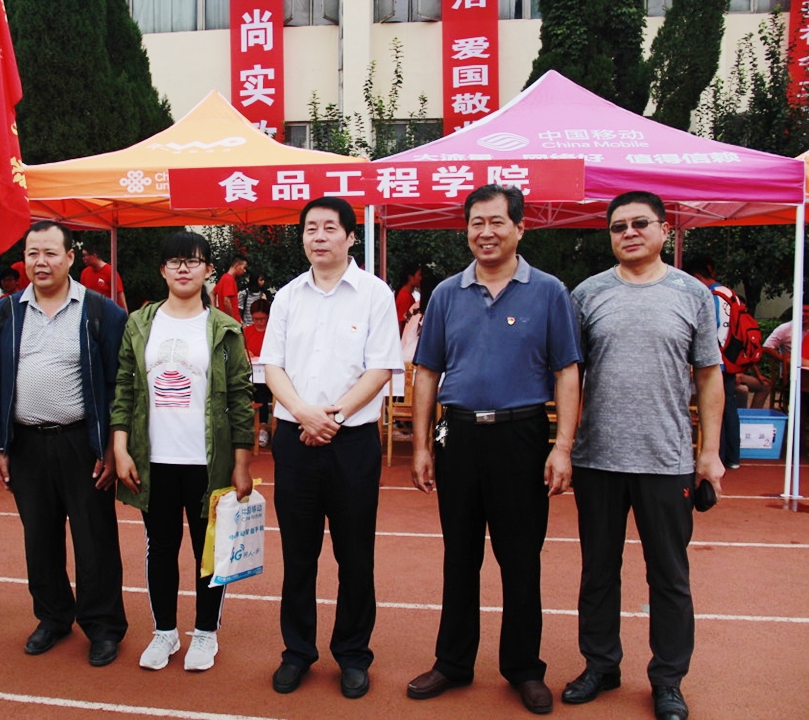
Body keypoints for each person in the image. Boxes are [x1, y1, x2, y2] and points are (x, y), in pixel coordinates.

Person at [406, 185, 581, 715]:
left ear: (519, 228)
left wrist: (562, 447)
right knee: (459, 556)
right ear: (466, 230)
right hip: (456, 434)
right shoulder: (446, 294)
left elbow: (567, 371)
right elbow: (427, 372)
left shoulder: (548, 291)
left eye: (497, 222)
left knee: (520, 558)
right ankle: (453, 662)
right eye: (476, 222)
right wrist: (421, 445)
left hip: (521, 435)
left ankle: (524, 668)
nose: (486, 232)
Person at [564, 191, 725, 720]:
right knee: (598, 572)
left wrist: (709, 453)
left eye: (640, 223)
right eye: (618, 226)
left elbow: (709, 376)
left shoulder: (691, 294)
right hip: (598, 459)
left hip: (667, 459)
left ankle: (668, 680)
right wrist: (564, 445)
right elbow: (570, 375)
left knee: (669, 577)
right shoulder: (587, 294)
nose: (629, 233)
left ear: (664, 230)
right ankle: (601, 665)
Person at [261, 196, 403, 700]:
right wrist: (304, 412)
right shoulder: (287, 296)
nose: (318, 237)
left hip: (352, 442)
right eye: (310, 229)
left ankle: (352, 654)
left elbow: (380, 368)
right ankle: (297, 651)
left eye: (329, 228)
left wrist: (334, 417)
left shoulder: (375, 294)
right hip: (296, 439)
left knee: (355, 555)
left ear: (349, 236)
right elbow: (272, 366)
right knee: (298, 554)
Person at [0, 220, 128, 666]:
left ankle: (103, 626)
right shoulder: (6, 313)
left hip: (81, 444)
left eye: (50, 253)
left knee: (94, 539)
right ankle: (52, 617)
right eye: (32, 253)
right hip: (27, 444)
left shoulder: (102, 312)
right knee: (39, 538)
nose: (40, 262)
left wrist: (110, 446)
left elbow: (118, 386)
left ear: (69, 257)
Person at [112, 231, 254, 673]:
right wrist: (120, 446)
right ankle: (165, 632)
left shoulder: (224, 328)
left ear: (208, 269)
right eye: (174, 261)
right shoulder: (140, 323)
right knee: (160, 547)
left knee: (207, 550)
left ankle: (205, 633)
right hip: (154, 459)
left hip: (208, 462)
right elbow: (124, 387)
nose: (183, 269)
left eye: (193, 261)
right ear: (162, 270)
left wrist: (242, 463)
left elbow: (241, 398)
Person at [683, 255, 742, 469]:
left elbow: (708, 329)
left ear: (697, 277)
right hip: (730, 357)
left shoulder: (709, 296)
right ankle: (732, 457)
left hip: (716, 360)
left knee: (715, 408)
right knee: (728, 408)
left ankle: (720, 454)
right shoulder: (731, 294)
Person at [244, 299, 273, 447]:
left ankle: (262, 427)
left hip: (269, 374)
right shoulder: (247, 332)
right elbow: (241, 349)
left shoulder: (273, 332)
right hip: (251, 373)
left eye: (262, 319)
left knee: (262, 391)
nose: (259, 322)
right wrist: (244, 351)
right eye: (256, 319)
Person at [80, 244, 127, 311]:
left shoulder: (110, 272)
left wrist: (125, 313)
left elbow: (119, 294)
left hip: (107, 312)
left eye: (85, 255)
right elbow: (82, 294)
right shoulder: (85, 273)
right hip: (91, 313)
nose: (83, 258)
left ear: (94, 256)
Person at [212, 254, 247, 322]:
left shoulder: (224, 277)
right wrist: (232, 321)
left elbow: (212, 293)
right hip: (230, 322)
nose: (244, 270)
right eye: (244, 267)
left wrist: (214, 312)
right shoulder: (229, 279)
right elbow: (226, 301)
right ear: (236, 265)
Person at [395, 261, 423, 334]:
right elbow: (402, 323)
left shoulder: (405, 295)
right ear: (410, 277)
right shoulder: (405, 297)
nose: (421, 278)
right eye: (419, 275)